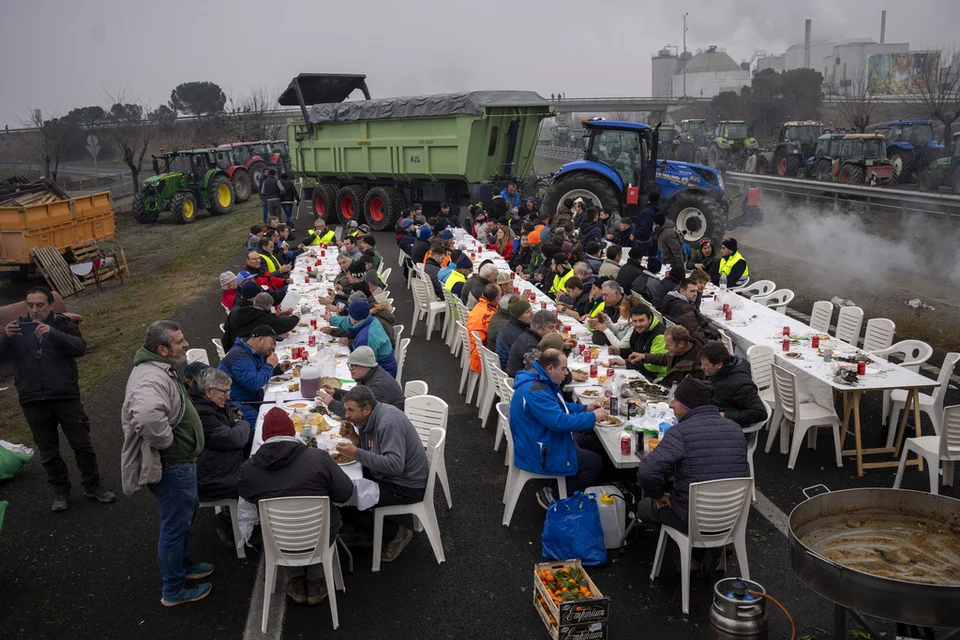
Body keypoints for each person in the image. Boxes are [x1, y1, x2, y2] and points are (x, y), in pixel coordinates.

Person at [0, 286, 115, 512]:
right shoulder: (16, 330)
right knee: (48, 451)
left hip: (65, 396)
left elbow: (80, 347)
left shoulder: (62, 324)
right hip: (32, 399)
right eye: (30, 305)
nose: (34, 310)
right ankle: (61, 491)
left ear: (51, 306)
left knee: (82, 444)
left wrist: (52, 333)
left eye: (40, 305)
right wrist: (5, 337)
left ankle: (93, 486)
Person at [121, 320, 211, 606]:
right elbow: (147, 416)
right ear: (162, 349)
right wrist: (166, 442)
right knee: (174, 526)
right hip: (173, 466)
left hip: (182, 463)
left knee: (184, 518)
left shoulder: (160, 367)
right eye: (179, 341)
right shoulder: (150, 378)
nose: (186, 345)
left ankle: (183, 567)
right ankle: (173, 589)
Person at [238, 407, 354, 605]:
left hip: (278, 539)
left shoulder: (248, 469)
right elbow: (345, 493)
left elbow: (249, 503)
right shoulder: (318, 458)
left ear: (264, 437)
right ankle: (315, 579)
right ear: (293, 432)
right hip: (320, 535)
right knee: (326, 523)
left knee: (282, 526)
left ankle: (295, 578)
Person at [635, 376, 747, 534]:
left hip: (693, 519)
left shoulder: (680, 432)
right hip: (731, 516)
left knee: (644, 507)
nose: (671, 404)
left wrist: (659, 495)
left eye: (676, 400)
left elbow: (646, 472)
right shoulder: (736, 428)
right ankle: (712, 548)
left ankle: (692, 549)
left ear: (687, 406)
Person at [335, 386, 428, 561]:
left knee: (343, 498)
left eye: (350, 410)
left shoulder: (388, 423)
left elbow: (394, 466)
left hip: (406, 486)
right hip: (393, 478)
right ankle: (370, 532)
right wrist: (356, 440)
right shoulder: (372, 418)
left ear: (367, 409)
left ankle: (396, 534)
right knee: (346, 489)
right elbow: (376, 450)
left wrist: (355, 453)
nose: (346, 415)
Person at [510, 348, 606, 508]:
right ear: (550, 368)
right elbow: (560, 422)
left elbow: (557, 407)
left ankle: (573, 487)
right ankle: (553, 495)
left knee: (590, 443)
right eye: (564, 368)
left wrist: (585, 409)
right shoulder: (536, 390)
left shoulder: (538, 379)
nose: (566, 373)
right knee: (594, 463)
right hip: (538, 450)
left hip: (537, 437)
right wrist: (593, 417)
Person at [190, 367, 250, 504]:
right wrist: (242, 423)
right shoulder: (201, 413)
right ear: (209, 391)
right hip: (212, 478)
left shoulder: (211, 401)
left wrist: (236, 421)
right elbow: (234, 439)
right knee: (260, 479)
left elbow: (230, 412)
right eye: (225, 392)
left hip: (222, 461)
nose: (228, 396)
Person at [218, 325, 292, 426]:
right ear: (260, 339)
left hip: (250, 398)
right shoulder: (240, 356)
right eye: (272, 343)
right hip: (235, 404)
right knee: (263, 425)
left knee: (280, 412)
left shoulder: (251, 352)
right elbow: (254, 383)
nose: (273, 347)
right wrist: (270, 365)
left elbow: (258, 370)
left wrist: (278, 369)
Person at [317, 346, 405, 417]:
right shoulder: (369, 375)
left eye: (354, 366)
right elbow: (358, 399)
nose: (350, 369)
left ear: (367, 366)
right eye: (350, 365)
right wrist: (335, 393)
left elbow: (358, 414)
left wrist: (331, 403)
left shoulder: (378, 386)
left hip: (393, 425)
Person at [700, 342, 767, 430]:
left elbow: (760, 412)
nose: (701, 367)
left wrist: (723, 415)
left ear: (719, 365)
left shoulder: (740, 386)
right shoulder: (718, 372)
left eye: (705, 365)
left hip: (729, 428)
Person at [329, 300, 397, 377]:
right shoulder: (371, 320)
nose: (349, 317)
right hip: (386, 365)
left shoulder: (366, 338)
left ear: (355, 319)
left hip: (384, 373)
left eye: (350, 316)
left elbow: (364, 368)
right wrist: (332, 323)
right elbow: (353, 328)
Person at [628, 325, 703, 387]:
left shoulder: (696, 365)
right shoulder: (677, 352)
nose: (665, 348)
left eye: (668, 345)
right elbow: (664, 358)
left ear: (681, 344)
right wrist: (644, 356)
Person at [223, 290, 299, 349]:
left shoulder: (239, 310)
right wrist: (295, 317)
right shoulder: (262, 318)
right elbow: (283, 326)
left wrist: (276, 315)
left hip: (229, 345)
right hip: (243, 350)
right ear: (267, 307)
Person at [610, 304, 668, 379]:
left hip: (654, 377)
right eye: (635, 321)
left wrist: (626, 363)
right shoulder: (641, 328)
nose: (638, 324)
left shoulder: (660, 335)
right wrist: (620, 351)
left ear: (650, 318)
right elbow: (637, 352)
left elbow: (653, 366)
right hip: (641, 371)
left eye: (641, 320)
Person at [661, 278, 716, 344]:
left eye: (696, 291)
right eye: (692, 291)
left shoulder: (669, 298)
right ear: (682, 291)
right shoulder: (685, 308)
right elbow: (695, 334)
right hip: (693, 343)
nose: (695, 294)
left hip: (678, 337)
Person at [506, 310, 557, 376]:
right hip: (521, 383)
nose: (555, 331)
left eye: (556, 327)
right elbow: (546, 374)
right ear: (539, 329)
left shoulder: (528, 335)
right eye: (551, 327)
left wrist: (564, 348)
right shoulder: (532, 347)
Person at [467, 283, 501, 374]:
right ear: (497, 298)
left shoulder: (479, 305)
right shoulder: (489, 315)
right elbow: (493, 337)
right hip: (479, 356)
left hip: (473, 347)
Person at [496, 296, 533, 369]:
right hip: (511, 372)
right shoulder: (518, 335)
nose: (532, 314)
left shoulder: (511, 325)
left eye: (531, 310)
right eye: (527, 312)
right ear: (519, 316)